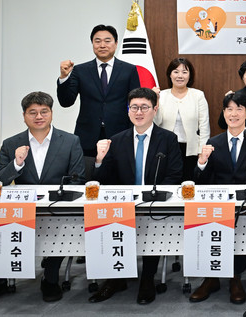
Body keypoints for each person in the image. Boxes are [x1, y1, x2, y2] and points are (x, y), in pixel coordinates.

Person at [0, 91, 85, 303]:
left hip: (57, 209)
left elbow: (78, 180)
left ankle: (50, 278)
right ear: (24, 116)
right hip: (21, 210)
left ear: (51, 113)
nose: (39, 116)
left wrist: (57, 198)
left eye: (44, 111)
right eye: (32, 112)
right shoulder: (11, 143)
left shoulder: (70, 141)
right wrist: (16, 164)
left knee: (65, 227)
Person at [89, 87, 183, 305]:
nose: (139, 112)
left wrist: (154, 196)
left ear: (155, 109)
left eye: (144, 107)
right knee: (110, 223)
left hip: (154, 203)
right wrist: (99, 159)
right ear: (128, 110)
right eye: (134, 107)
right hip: (123, 204)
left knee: (153, 226)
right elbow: (102, 179)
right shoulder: (117, 140)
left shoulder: (168, 139)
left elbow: (175, 174)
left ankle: (147, 279)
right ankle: (115, 279)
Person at [188, 92, 246, 304]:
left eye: (239, 109)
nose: (233, 114)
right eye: (229, 109)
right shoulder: (213, 142)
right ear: (224, 113)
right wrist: (202, 162)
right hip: (218, 208)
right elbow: (200, 182)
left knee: (244, 225)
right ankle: (211, 278)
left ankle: (235, 277)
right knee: (203, 222)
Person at [57, 24, 140, 179]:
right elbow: (66, 101)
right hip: (87, 134)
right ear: (92, 44)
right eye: (97, 41)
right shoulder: (80, 70)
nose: (102, 45)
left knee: (118, 178)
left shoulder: (129, 70)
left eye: (107, 41)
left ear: (116, 43)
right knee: (87, 178)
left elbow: (135, 103)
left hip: (120, 134)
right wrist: (64, 78)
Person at [153, 57, 209, 182]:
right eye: (176, 72)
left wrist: (202, 150)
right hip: (166, 149)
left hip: (191, 149)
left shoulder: (198, 95)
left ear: (190, 75)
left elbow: (204, 126)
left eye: (184, 72)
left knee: (189, 183)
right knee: (169, 182)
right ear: (170, 74)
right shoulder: (162, 95)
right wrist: (155, 100)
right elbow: (156, 122)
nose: (180, 76)